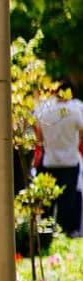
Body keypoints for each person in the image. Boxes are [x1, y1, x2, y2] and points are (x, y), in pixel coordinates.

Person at [34, 84, 83, 237]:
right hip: (70, 161)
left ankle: (45, 234)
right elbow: (81, 133)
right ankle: (64, 233)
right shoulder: (74, 110)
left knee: (47, 201)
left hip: (49, 161)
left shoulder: (45, 110)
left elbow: (39, 136)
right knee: (66, 202)